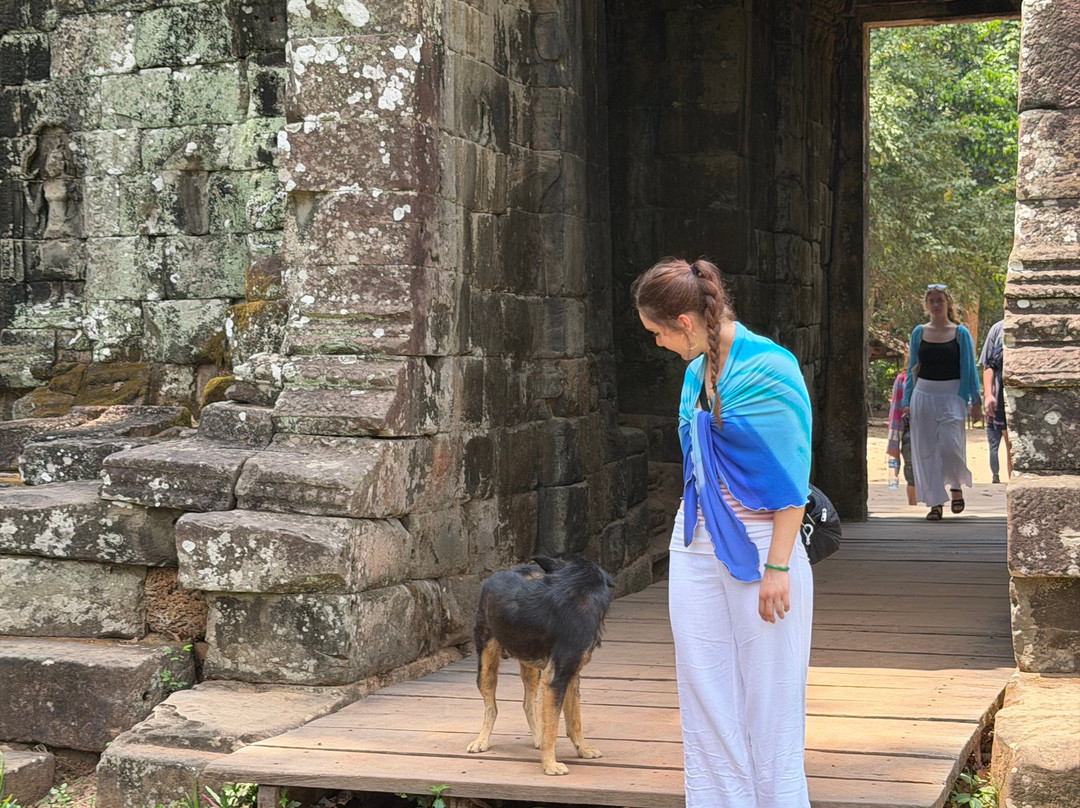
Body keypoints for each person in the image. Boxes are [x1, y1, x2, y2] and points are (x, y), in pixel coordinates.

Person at [631, 257, 813, 808]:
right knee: (706, 694)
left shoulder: (771, 368)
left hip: (762, 548)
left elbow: (791, 478)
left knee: (770, 698)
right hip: (696, 548)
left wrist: (778, 567)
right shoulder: (692, 376)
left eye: (658, 332)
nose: (658, 343)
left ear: (685, 322)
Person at [901, 284, 982, 520]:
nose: (936, 305)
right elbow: (912, 369)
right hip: (923, 395)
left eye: (940, 301)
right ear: (927, 305)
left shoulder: (960, 333)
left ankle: (956, 486)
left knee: (950, 446)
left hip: (952, 396)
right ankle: (935, 502)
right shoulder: (919, 332)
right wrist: (906, 400)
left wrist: (975, 400)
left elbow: (969, 368)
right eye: (932, 301)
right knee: (927, 451)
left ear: (948, 304)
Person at [978, 319, 1012, 483]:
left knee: (1010, 447)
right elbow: (989, 365)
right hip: (1002, 400)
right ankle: (998, 476)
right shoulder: (999, 329)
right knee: (1007, 445)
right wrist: (988, 395)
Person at [886, 368, 916, 503]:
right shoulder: (902, 378)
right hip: (909, 429)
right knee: (911, 471)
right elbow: (896, 410)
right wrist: (894, 441)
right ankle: (913, 507)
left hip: (933, 428)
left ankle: (936, 506)